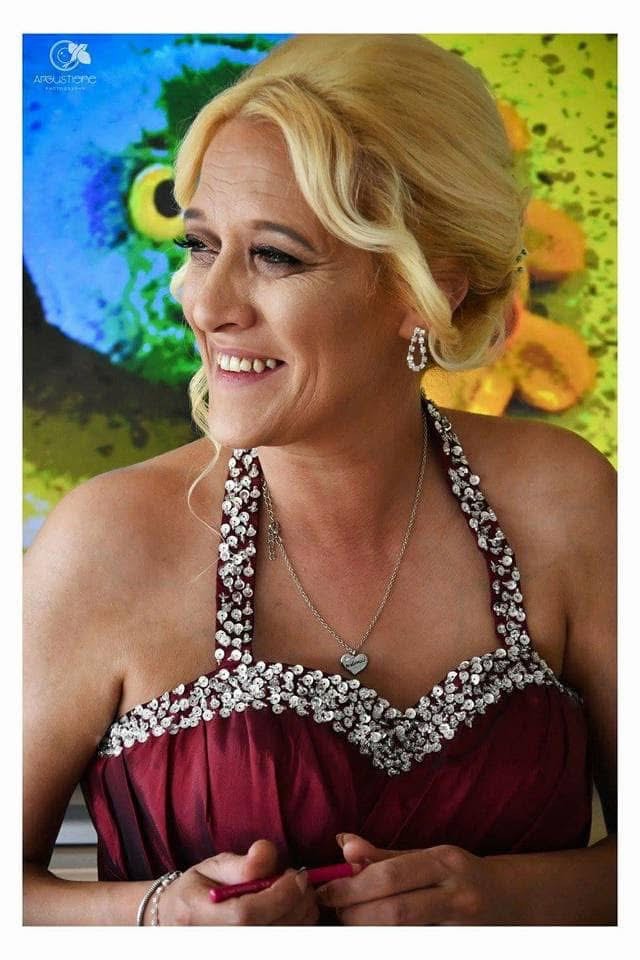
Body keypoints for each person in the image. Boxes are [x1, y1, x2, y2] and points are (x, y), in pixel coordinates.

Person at [23, 33, 616, 926]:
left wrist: (508, 899)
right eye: (200, 244)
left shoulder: (565, 501)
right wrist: (154, 917)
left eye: (275, 256)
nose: (206, 303)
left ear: (429, 290)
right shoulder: (104, 540)